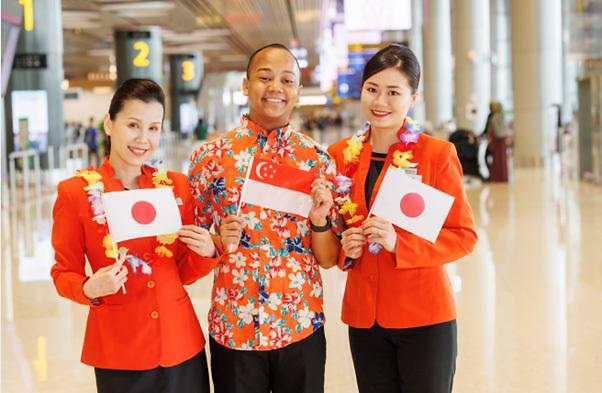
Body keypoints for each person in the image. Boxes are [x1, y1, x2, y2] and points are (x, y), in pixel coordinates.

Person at [188, 43, 340, 393]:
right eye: (265, 77)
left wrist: (319, 220)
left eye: (287, 80)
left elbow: (329, 259)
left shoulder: (316, 160)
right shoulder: (211, 158)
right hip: (234, 324)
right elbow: (191, 246)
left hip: (300, 323)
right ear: (246, 85)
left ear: (298, 92)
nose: (276, 88)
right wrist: (216, 243)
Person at [327, 44, 478, 393]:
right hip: (365, 318)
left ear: (413, 97)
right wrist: (344, 246)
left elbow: (463, 235)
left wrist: (400, 244)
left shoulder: (435, 155)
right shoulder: (340, 157)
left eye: (394, 92)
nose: (380, 101)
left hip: (424, 316)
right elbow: (334, 232)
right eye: (372, 89)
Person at [51, 78, 218, 393]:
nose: (144, 138)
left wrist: (207, 251)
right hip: (119, 352)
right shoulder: (76, 194)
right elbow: (63, 272)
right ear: (109, 124)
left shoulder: (176, 187)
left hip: (180, 345)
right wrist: (89, 287)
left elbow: (183, 271)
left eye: (153, 128)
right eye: (133, 125)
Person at [484, 100, 509, 182]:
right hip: (502, 141)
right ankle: (503, 176)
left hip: (496, 140)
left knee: (497, 160)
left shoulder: (494, 117)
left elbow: (493, 130)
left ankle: (497, 177)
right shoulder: (502, 116)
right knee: (502, 159)